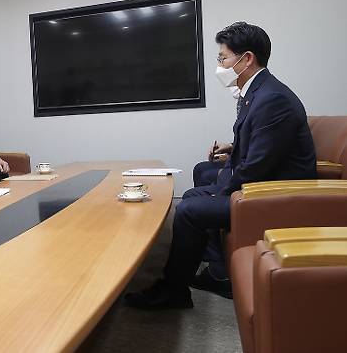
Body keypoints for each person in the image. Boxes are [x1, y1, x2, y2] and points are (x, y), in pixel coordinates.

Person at [125, 22, 316, 310]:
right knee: (193, 194)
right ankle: (218, 270)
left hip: (274, 195)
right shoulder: (258, 91)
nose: (220, 65)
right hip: (263, 183)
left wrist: (222, 191)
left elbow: (257, 168)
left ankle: (174, 291)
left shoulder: (272, 98)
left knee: (189, 209)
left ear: (247, 58)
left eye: (223, 58)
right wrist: (232, 148)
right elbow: (261, 145)